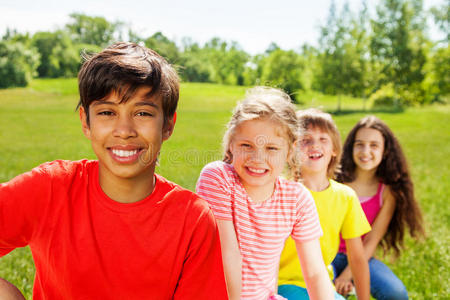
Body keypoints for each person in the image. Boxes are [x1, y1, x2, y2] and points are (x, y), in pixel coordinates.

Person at [0, 42, 228, 300]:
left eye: (142, 113)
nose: (124, 130)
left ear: (168, 125)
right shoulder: (50, 188)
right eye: (107, 112)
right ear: (86, 122)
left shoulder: (193, 219)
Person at [196, 87, 334, 300]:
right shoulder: (218, 178)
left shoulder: (297, 199)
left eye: (271, 148)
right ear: (231, 144)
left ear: (289, 151)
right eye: (246, 145)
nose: (258, 158)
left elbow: (315, 272)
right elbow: (227, 256)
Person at [277, 109, 371, 300]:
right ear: (292, 148)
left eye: (323, 139)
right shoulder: (280, 191)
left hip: (322, 284)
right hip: (281, 284)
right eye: (306, 140)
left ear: (334, 148)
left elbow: (357, 259)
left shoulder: (346, 197)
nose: (314, 145)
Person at [332, 115, 425, 299]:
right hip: (328, 255)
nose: (365, 151)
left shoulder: (388, 192)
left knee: (396, 292)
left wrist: (347, 275)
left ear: (385, 150)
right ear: (351, 148)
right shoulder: (336, 180)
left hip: (362, 256)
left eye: (374, 145)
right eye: (360, 144)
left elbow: (371, 241)